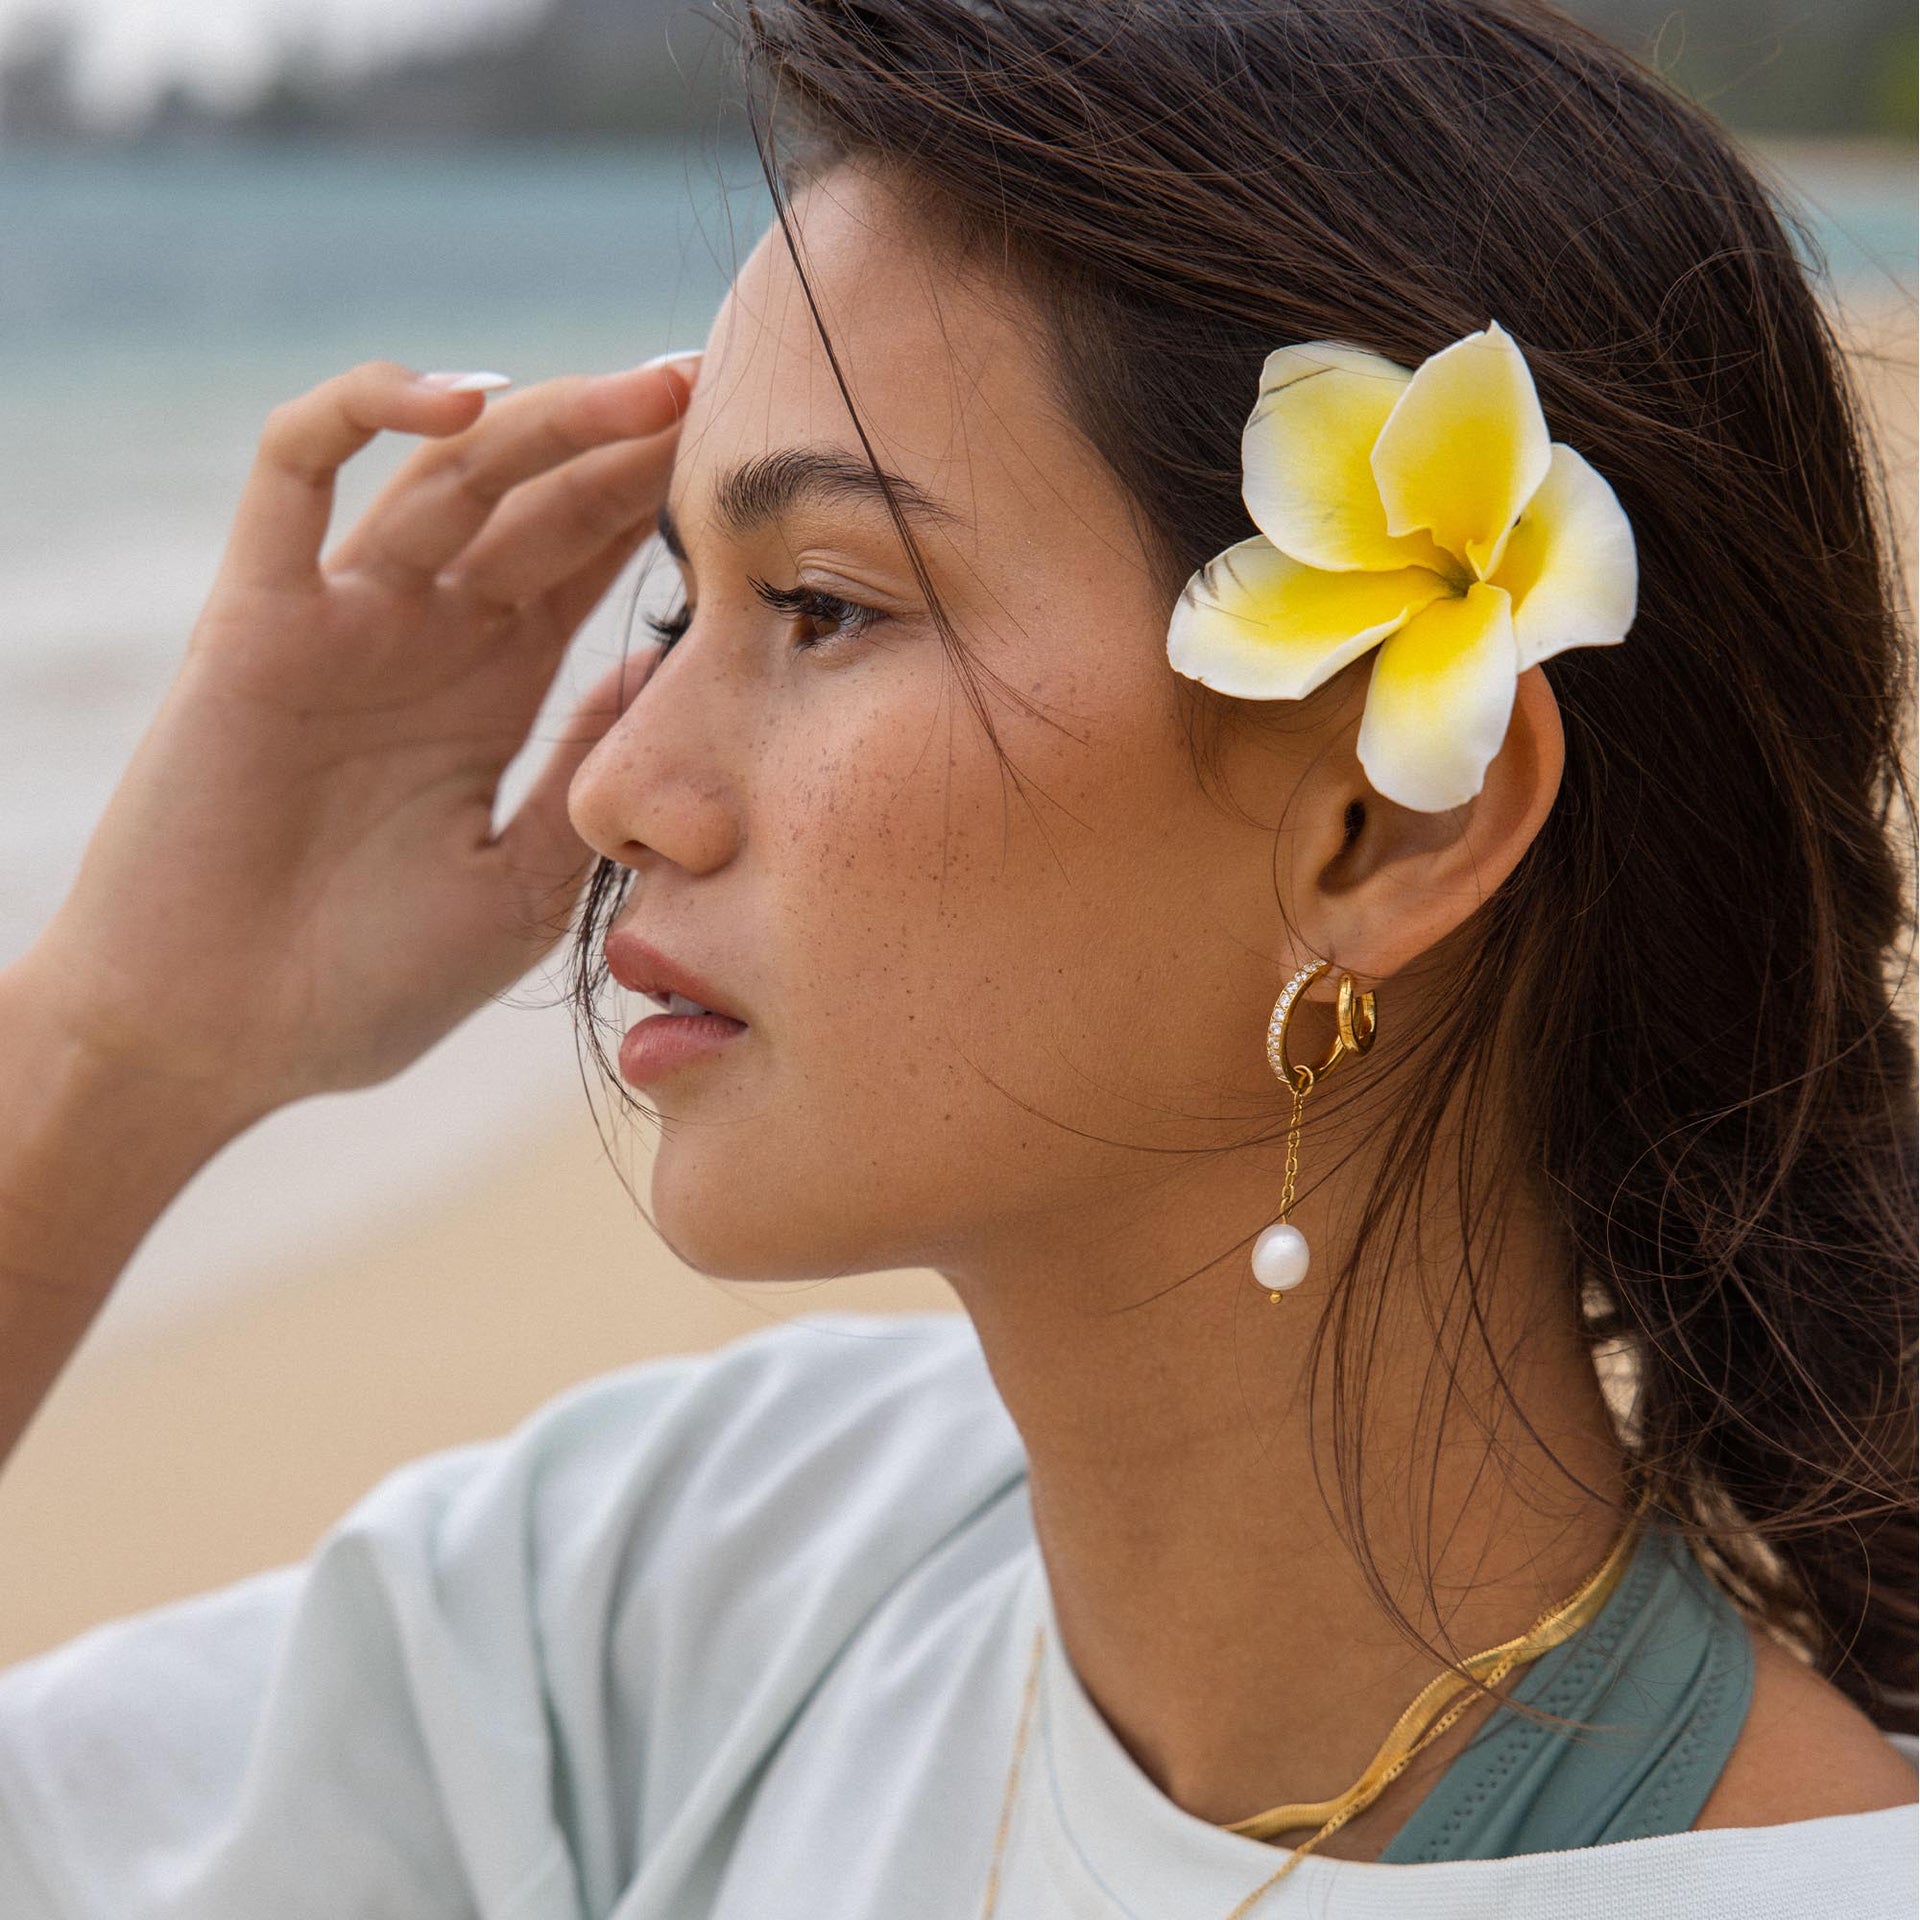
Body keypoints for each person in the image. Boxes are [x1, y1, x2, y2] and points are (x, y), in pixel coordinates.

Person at [0, 0, 1914, 1914]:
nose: (614, 785)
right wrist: (119, 1044)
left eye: (821, 607)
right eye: (678, 603)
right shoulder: (706, 1587)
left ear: (1384, 819)